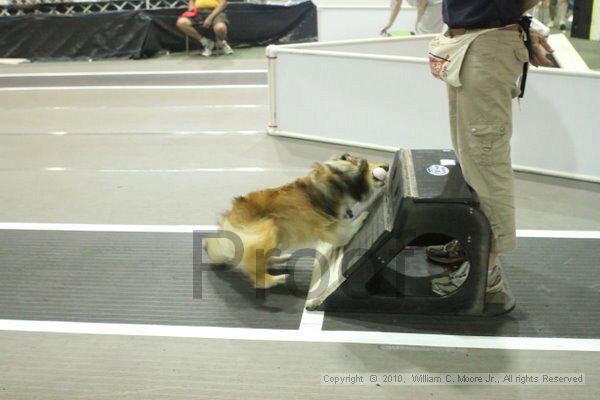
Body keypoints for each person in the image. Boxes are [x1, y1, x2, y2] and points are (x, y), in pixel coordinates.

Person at [427, 0, 554, 303]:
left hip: (486, 43)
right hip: (468, 44)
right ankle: (476, 242)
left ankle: (486, 269)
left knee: (486, 158)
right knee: (471, 156)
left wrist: (509, 18)